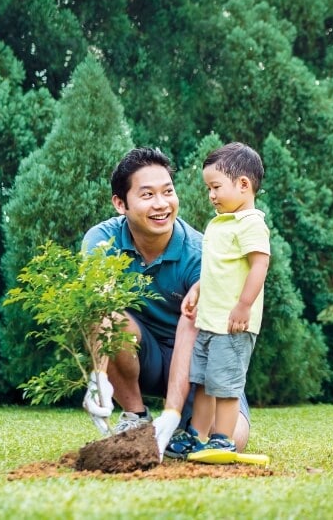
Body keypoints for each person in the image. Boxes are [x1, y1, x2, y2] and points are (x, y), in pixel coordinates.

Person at [80, 146, 251, 458]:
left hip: (197, 362)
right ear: (121, 203)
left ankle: (179, 425)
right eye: (147, 195)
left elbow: (194, 325)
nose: (161, 204)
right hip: (143, 356)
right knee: (105, 315)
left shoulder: (201, 253)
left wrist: (173, 413)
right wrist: (98, 378)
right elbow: (98, 306)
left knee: (232, 440)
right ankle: (136, 419)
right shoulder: (101, 240)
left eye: (167, 192)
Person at [172, 142, 270, 457]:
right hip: (209, 321)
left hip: (232, 324)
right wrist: (198, 290)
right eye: (208, 189)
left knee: (225, 384)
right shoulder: (219, 223)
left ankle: (222, 438)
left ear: (243, 185)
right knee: (202, 380)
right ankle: (197, 435)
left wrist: (244, 305)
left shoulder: (250, 222)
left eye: (215, 187)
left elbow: (260, 264)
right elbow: (218, 269)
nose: (211, 195)